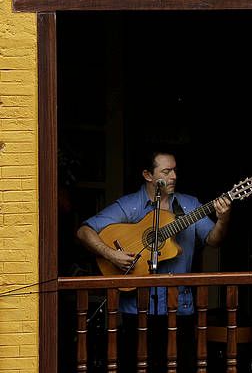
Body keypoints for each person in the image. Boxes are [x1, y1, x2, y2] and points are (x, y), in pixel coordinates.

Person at [76, 149, 232, 373]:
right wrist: (111, 254)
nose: (174, 177)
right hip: (136, 310)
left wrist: (223, 219)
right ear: (148, 175)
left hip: (180, 308)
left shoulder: (190, 205)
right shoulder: (129, 205)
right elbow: (84, 231)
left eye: (175, 170)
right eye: (166, 171)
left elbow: (213, 239)